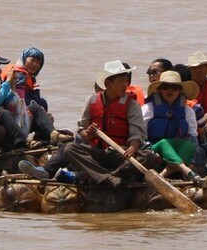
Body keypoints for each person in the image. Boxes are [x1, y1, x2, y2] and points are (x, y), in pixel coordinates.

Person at [20, 60, 160, 188]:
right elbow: (82, 130)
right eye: (121, 81)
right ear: (108, 84)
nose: (125, 85)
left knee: (148, 157)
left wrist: (132, 148)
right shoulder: (92, 101)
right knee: (69, 148)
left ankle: (109, 176)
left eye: (126, 80)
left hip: (120, 154)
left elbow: (137, 133)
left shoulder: (131, 105)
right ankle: (107, 178)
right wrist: (89, 133)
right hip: (97, 152)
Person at [143, 70, 201, 181]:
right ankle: (186, 171)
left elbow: (193, 137)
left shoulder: (188, 112)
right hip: (155, 148)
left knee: (189, 144)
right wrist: (152, 152)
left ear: (179, 91)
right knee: (164, 143)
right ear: (159, 89)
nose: (170, 90)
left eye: (174, 88)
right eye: (165, 87)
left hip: (177, 150)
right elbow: (141, 136)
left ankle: (164, 174)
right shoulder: (148, 109)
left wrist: (193, 159)